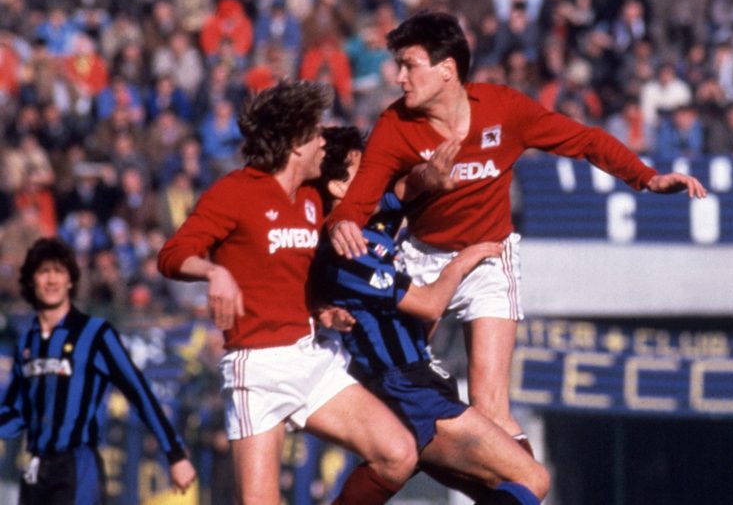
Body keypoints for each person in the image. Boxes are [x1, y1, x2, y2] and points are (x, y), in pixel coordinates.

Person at [326, 11, 708, 442]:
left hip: (490, 259)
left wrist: (646, 177)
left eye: (408, 65)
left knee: (491, 410)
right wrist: (342, 224)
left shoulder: (504, 108)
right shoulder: (394, 125)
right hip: (422, 258)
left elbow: (585, 140)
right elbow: (358, 200)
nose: (399, 78)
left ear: (447, 69)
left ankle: (530, 479)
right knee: (398, 405)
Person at [156, 80, 418, 505]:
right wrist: (213, 272)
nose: (323, 142)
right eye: (316, 134)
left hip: (311, 358)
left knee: (398, 454)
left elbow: (300, 272)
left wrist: (322, 309)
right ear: (296, 144)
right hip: (257, 368)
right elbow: (172, 254)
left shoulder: (313, 197)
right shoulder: (236, 191)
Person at [313, 126, 549, 505]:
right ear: (338, 187)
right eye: (363, 170)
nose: (375, 177)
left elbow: (406, 190)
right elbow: (429, 305)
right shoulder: (345, 252)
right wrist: (464, 260)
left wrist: (436, 172)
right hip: (404, 390)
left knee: (502, 487)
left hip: (419, 382)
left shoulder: (375, 223)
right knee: (531, 477)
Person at [0, 237, 196, 504]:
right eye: (44, 271)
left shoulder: (95, 334)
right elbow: (15, 413)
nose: (52, 279)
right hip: (36, 468)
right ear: (32, 280)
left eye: (59, 271)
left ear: (71, 280)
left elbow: (139, 392)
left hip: (77, 466)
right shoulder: (28, 342)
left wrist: (175, 453)